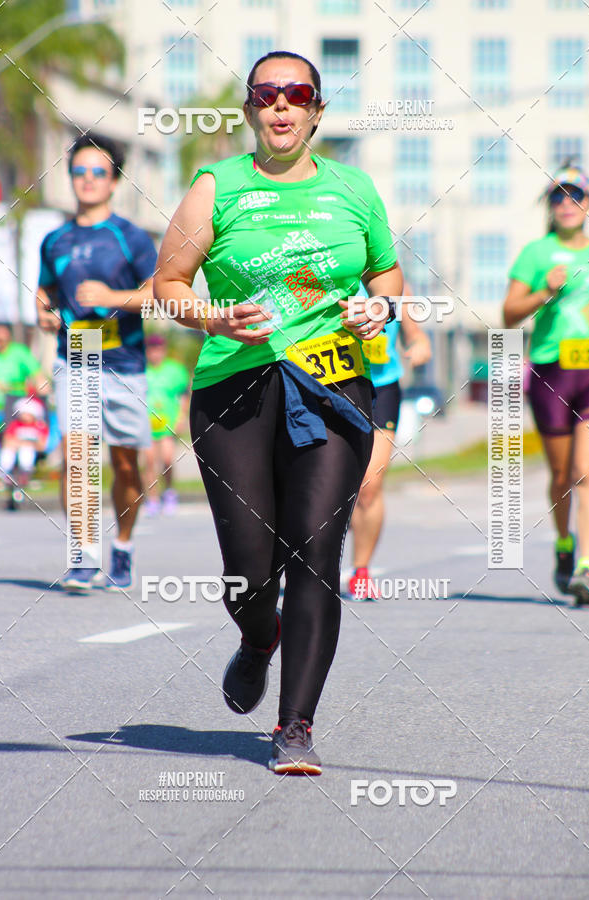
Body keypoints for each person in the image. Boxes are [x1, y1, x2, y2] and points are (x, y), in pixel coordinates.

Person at [154, 50, 402, 775]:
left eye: (297, 95)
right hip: (235, 387)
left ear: (317, 110)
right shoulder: (218, 186)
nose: (282, 107)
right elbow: (168, 282)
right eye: (268, 95)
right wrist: (213, 318)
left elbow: (386, 274)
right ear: (251, 112)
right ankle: (259, 637)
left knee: (314, 551)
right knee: (249, 569)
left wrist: (377, 309)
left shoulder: (354, 190)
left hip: (330, 385)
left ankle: (295, 726)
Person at [36, 132, 157, 593]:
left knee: (126, 464)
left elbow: (158, 296)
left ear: (114, 181)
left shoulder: (131, 238)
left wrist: (112, 298)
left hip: (124, 362)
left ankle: (122, 547)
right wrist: (43, 313)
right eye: (80, 172)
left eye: (98, 173)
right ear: (70, 178)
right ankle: (83, 556)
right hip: (76, 357)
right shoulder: (55, 239)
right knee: (79, 458)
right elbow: (46, 290)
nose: (87, 180)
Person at [504, 163, 589, 606]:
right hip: (551, 374)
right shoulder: (536, 254)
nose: (567, 204)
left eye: (575, 195)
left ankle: (588, 567)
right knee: (562, 474)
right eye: (558, 196)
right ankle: (565, 543)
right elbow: (508, 316)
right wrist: (545, 292)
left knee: (586, 472)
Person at [348, 284, 432, 601]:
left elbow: (412, 328)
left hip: (382, 385)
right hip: (330, 382)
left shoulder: (389, 277)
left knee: (369, 487)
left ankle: (361, 571)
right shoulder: (329, 264)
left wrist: (419, 341)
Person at [143, 333, 190, 515]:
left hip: (167, 423)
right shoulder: (142, 369)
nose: (155, 353)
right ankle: (152, 498)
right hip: (147, 424)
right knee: (149, 462)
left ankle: (169, 492)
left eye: (158, 349)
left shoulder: (175, 370)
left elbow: (184, 394)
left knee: (168, 459)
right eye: (151, 350)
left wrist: (181, 417)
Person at [0, 323, 46, 444]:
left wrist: (42, 390)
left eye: (1, 338)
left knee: (4, 429)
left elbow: (37, 375)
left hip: (13, 403)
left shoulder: (19, 352)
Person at [0, 396, 49, 510]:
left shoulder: (40, 427)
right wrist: (20, 443)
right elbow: (7, 441)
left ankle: (25, 474)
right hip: (14, 449)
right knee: (7, 452)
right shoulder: (15, 425)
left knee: (26, 451)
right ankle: (5, 473)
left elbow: (42, 445)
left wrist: (25, 444)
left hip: (32, 453)